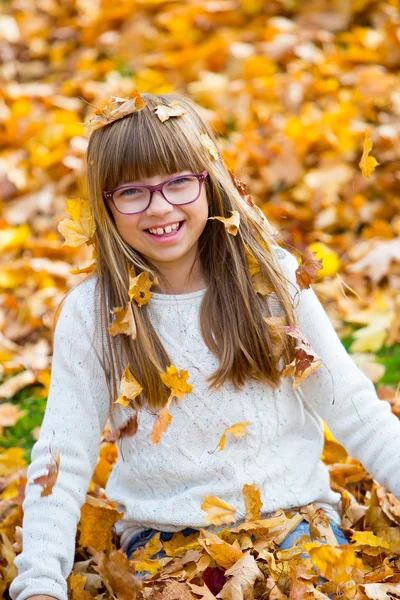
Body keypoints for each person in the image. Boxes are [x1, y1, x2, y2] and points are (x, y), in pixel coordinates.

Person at [10, 91, 400, 600]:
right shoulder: (92, 313)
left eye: (178, 182)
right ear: (105, 203)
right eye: (132, 192)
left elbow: (356, 411)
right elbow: (62, 459)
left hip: (294, 527)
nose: (160, 207)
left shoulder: (271, 282)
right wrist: (39, 583)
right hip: (163, 544)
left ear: (209, 181)